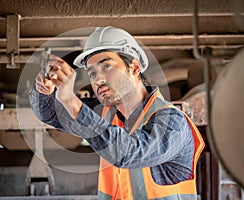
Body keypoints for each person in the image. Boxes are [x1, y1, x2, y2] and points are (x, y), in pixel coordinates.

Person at [29, 26, 205, 200]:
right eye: (92, 73)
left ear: (135, 67)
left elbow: (129, 153)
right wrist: (43, 91)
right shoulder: (107, 114)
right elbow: (51, 114)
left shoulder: (173, 123)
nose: (98, 80)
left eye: (107, 66)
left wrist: (72, 102)